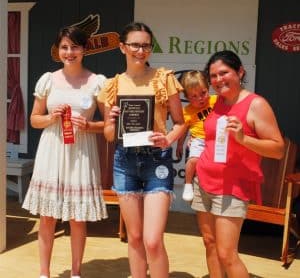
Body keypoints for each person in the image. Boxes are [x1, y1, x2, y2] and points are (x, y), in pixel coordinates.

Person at [99, 22, 185, 278]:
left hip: (156, 162)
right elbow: (108, 134)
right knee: (134, 237)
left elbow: (180, 123)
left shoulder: (164, 79)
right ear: (122, 47)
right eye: (135, 44)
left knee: (152, 240)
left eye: (146, 45)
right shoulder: (112, 86)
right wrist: (112, 120)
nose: (141, 50)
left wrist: (168, 139)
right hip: (124, 161)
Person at [22, 26, 108, 278]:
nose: (69, 52)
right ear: (57, 50)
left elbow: (109, 125)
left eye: (75, 47)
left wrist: (89, 125)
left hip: (81, 153)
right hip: (52, 151)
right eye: (64, 47)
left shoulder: (97, 82)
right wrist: (50, 118)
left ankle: (76, 273)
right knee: (47, 216)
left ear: (84, 49)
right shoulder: (48, 79)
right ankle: (44, 273)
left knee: (77, 217)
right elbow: (34, 119)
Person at [193, 50, 284, 278]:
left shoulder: (256, 104)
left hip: (232, 188)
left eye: (224, 73)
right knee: (210, 243)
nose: (218, 80)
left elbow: (278, 149)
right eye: (213, 76)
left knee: (227, 254)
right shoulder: (217, 103)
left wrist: (244, 138)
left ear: (240, 72)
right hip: (203, 181)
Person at [176, 71, 217, 201]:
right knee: (193, 160)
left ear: (208, 88)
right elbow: (183, 130)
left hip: (218, 140)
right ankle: (188, 184)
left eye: (203, 93)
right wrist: (180, 145)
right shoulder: (187, 111)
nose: (200, 98)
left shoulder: (216, 100)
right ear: (187, 97)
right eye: (194, 96)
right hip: (199, 140)